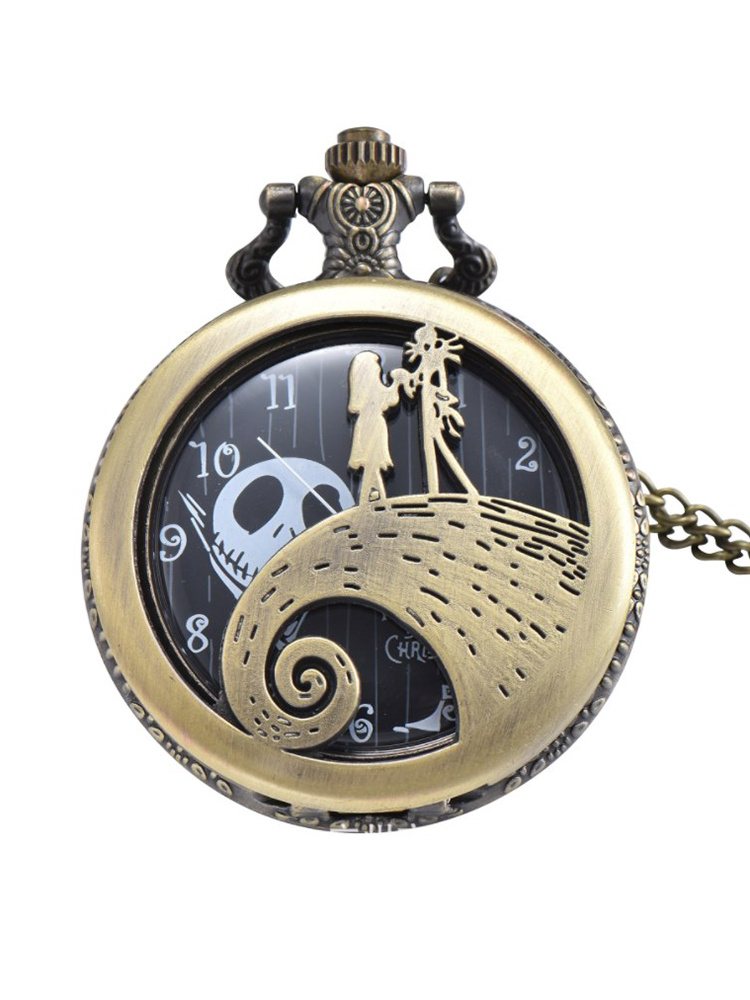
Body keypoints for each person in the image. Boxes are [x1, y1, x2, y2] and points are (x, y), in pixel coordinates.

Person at [347, 351, 407, 503]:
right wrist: (396, 382)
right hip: (373, 424)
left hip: (368, 424)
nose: (378, 369)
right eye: (375, 366)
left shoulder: (363, 390)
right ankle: (374, 495)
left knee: (371, 463)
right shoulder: (372, 389)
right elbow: (389, 401)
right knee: (372, 461)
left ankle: (372, 494)